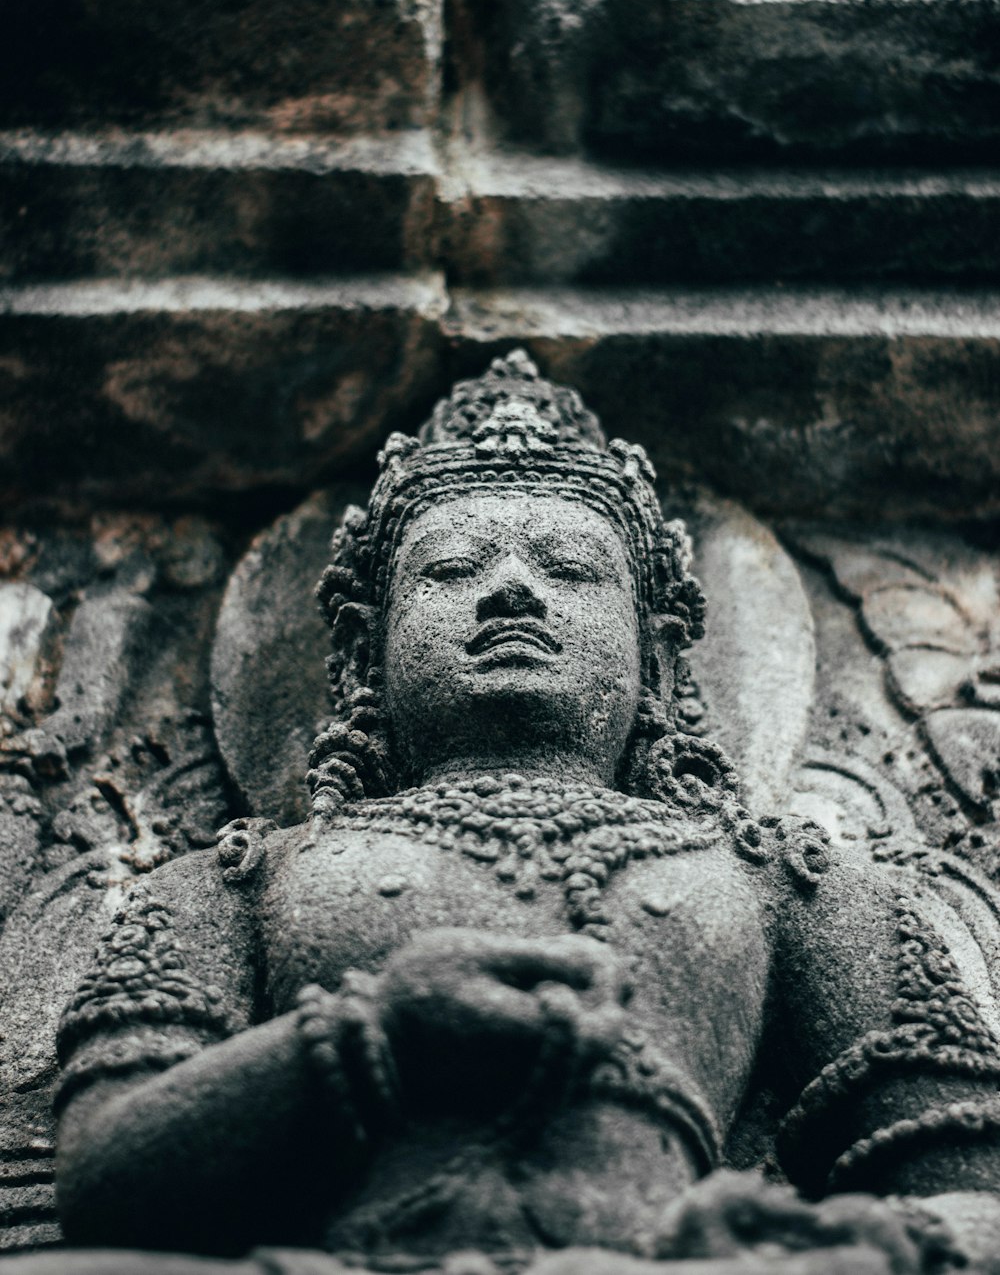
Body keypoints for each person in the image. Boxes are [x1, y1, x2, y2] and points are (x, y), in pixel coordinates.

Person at [40, 355, 1000, 1272]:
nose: (509, 588)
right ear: (365, 651)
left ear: (656, 652)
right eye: (450, 569)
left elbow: (976, 1200)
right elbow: (101, 1188)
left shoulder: (789, 885)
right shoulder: (237, 879)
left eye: (572, 570)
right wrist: (376, 1033)